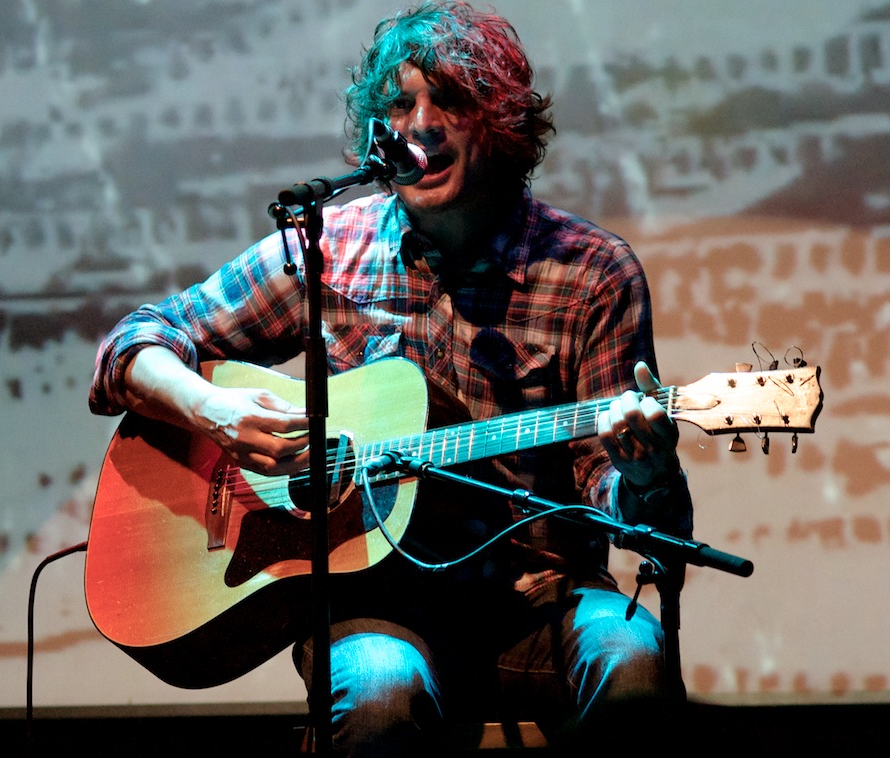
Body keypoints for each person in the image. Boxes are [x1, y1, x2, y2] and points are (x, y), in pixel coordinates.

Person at [88, 1, 692, 754]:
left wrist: (646, 475)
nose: (421, 123)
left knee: (633, 661)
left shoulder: (593, 273)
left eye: (453, 101)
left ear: (502, 122)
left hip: (541, 603)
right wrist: (215, 414)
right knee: (378, 689)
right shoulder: (328, 246)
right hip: (374, 606)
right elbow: (134, 345)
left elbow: (629, 511)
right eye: (401, 104)